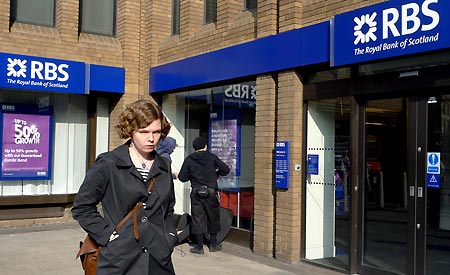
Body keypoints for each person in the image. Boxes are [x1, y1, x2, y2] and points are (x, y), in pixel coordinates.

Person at [71, 99, 177, 275]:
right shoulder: (108, 163)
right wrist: (107, 235)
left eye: (156, 132)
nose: (151, 138)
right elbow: (82, 207)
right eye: (144, 132)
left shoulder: (164, 165)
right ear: (130, 131)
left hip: (158, 260)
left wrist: (169, 238)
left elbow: (168, 208)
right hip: (119, 261)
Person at [177, 136, 230, 254]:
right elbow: (226, 170)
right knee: (213, 217)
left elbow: (182, 177)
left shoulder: (189, 159)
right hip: (211, 192)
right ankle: (213, 244)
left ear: (194, 147)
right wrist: (216, 173)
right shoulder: (212, 157)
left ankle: (199, 247)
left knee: (197, 218)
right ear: (205, 146)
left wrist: (192, 175)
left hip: (196, 192)